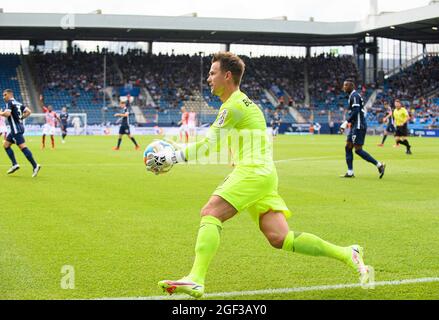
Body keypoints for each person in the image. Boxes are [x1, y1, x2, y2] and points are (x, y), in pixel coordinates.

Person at [146, 52, 372, 299]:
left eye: (212, 73)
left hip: (253, 172)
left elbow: (207, 146)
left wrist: (171, 157)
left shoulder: (232, 106)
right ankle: (347, 253)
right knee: (280, 237)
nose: (208, 78)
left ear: (227, 75)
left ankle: (196, 279)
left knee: (210, 212)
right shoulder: (242, 104)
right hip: (263, 174)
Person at [340, 79, 386, 179]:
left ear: (350, 86)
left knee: (358, 150)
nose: (343, 87)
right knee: (348, 147)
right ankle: (350, 172)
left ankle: (379, 165)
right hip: (354, 125)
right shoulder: (352, 96)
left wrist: (345, 122)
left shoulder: (355, 96)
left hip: (359, 126)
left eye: (345, 85)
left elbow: (356, 111)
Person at [0, 89, 41, 177]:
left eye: (5, 95)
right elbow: (29, 111)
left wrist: (1, 113)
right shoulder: (18, 103)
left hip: (16, 129)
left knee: (22, 147)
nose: (3, 97)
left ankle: (35, 165)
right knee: (6, 145)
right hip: (19, 127)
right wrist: (21, 118)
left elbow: (7, 114)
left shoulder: (9, 103)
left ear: (10, 95)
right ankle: (15, 164)